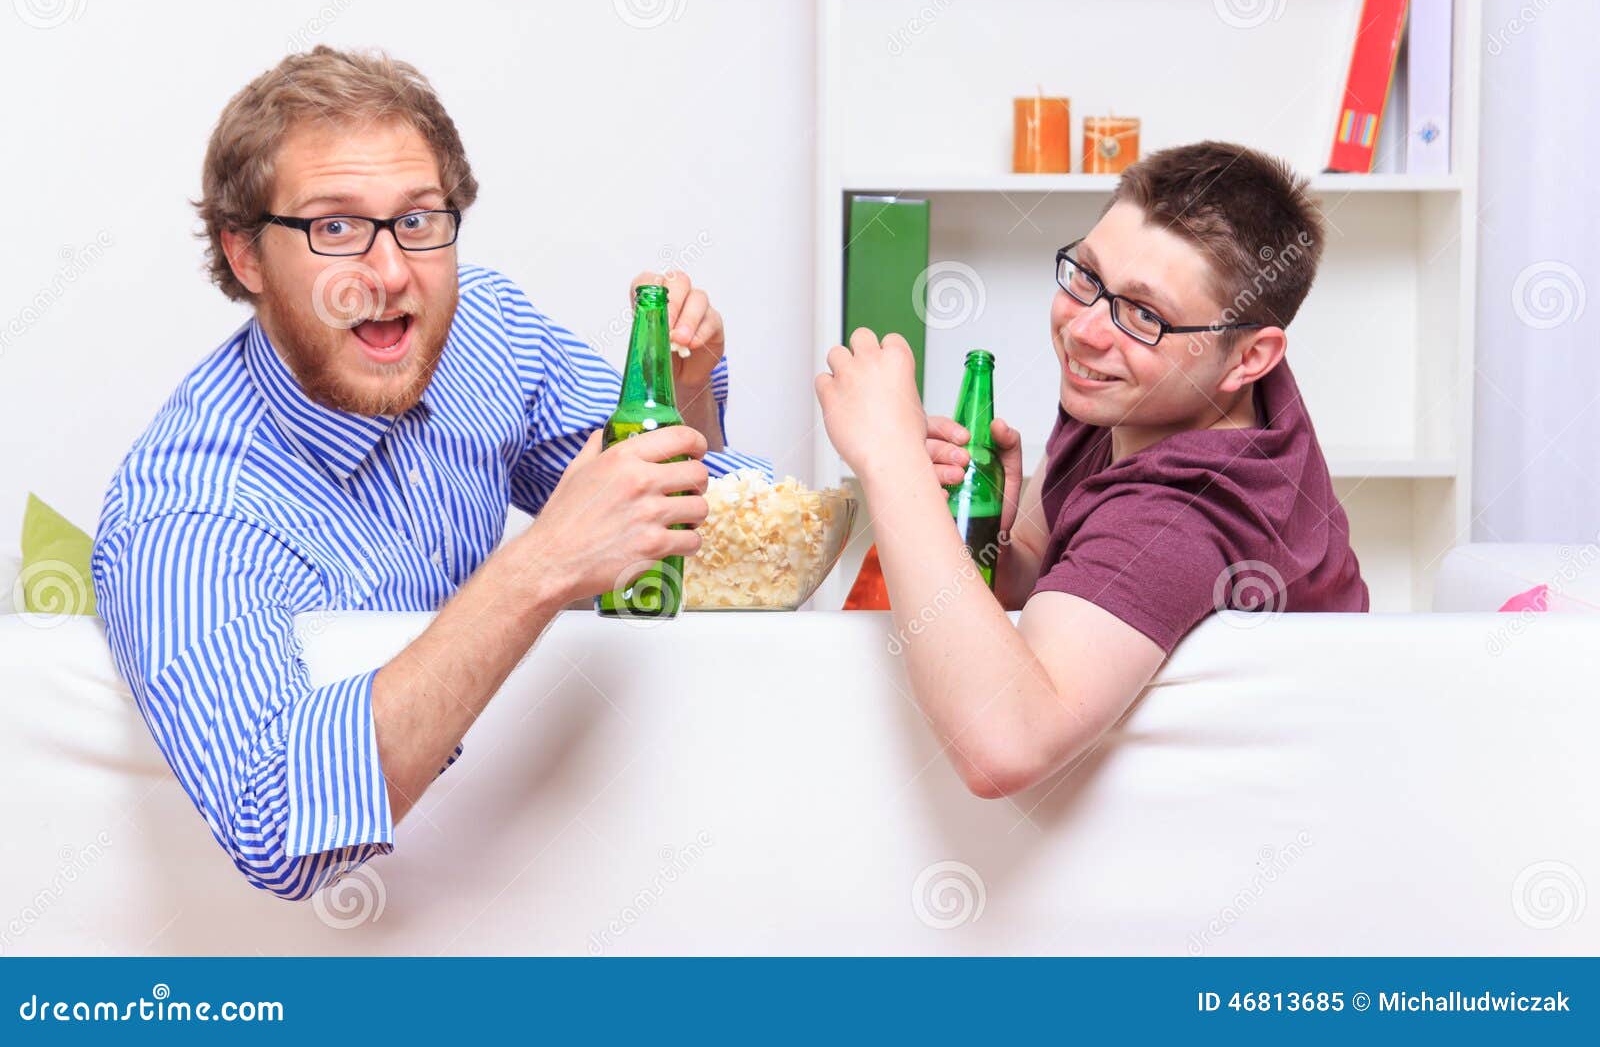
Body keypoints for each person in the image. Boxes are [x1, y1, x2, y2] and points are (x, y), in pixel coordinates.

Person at [91, 46, 769, 899]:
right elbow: (276, 822)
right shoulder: (183, 514)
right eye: (334, 227)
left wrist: (689, 391)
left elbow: (697, 531)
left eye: (417, 220)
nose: (389, 274)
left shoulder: (487, 327)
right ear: (247, 256)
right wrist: (543, 563)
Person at [816, 141, 1368, 799]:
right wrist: (994, 545)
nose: (1084, 330)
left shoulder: (1182, 515)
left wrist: (890, 462)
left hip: (1268, 811)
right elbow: (1042, 563)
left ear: (1250, 358)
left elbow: (1004, 745)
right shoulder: (1148, 388)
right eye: (1086, 274)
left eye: (1143, 313)